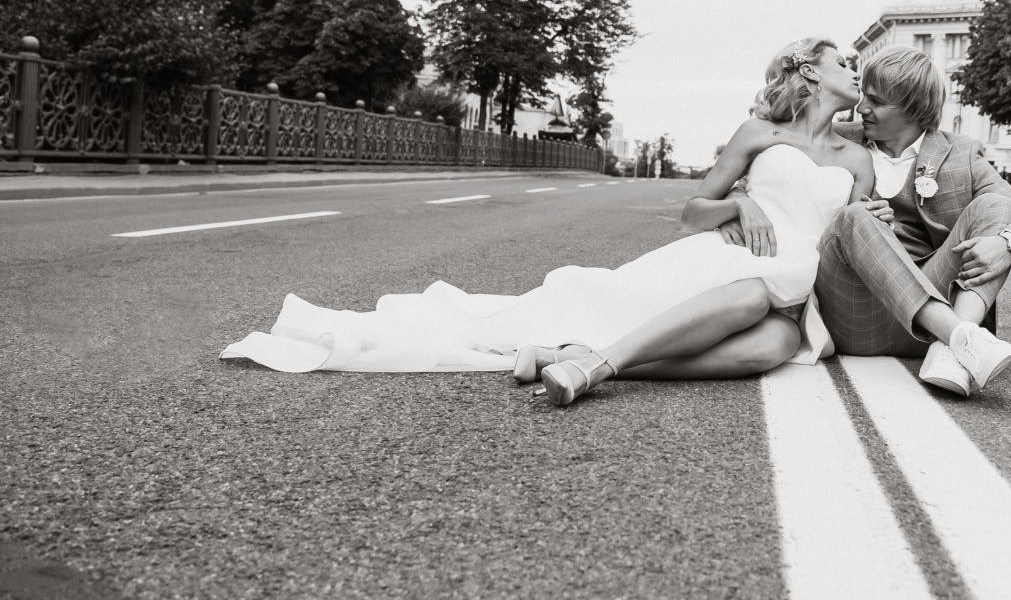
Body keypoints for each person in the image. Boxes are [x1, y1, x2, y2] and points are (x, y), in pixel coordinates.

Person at [221, 38, 890, 406]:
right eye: (844, 62)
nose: (855, 71)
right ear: (809, 70)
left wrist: (882, 215)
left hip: (801, 286)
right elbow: (691, 213)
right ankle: (596, 366)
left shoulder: (857, 156)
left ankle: (579, 357)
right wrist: (739, 203)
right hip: (734, 265)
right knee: (747, 302)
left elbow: (857, 230)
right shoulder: (758, 130)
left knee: (770, 352)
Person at [763, 45, 1011, 397]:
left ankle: (953, 347)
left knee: (997, 206)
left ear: (914, 109)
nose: (862, 108)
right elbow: (764, 172)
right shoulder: (835, 137)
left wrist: (1009, 244)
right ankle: (963, 340)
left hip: (929, 315)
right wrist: (739, 202)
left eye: (877, 101)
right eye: (863, 96)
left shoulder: (960, 153)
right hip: (851, 308)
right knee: (856, 214)